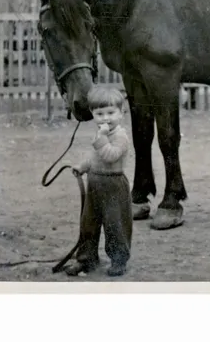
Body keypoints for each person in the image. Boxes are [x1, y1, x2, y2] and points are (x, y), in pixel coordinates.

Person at [65, 86, 133, 277]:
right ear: (93, 114)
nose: (105, 118)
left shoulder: (121, 136)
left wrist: (101, 139)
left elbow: (110, 155)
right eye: (99, 114)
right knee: (88, 223)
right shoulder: (100, 134)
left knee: (115, 225)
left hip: (114, 184)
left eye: (111, 113)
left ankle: (119, 259)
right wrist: (83, 166)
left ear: (121, 113)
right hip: (94, 182)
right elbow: (95, 156)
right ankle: (86, 258)